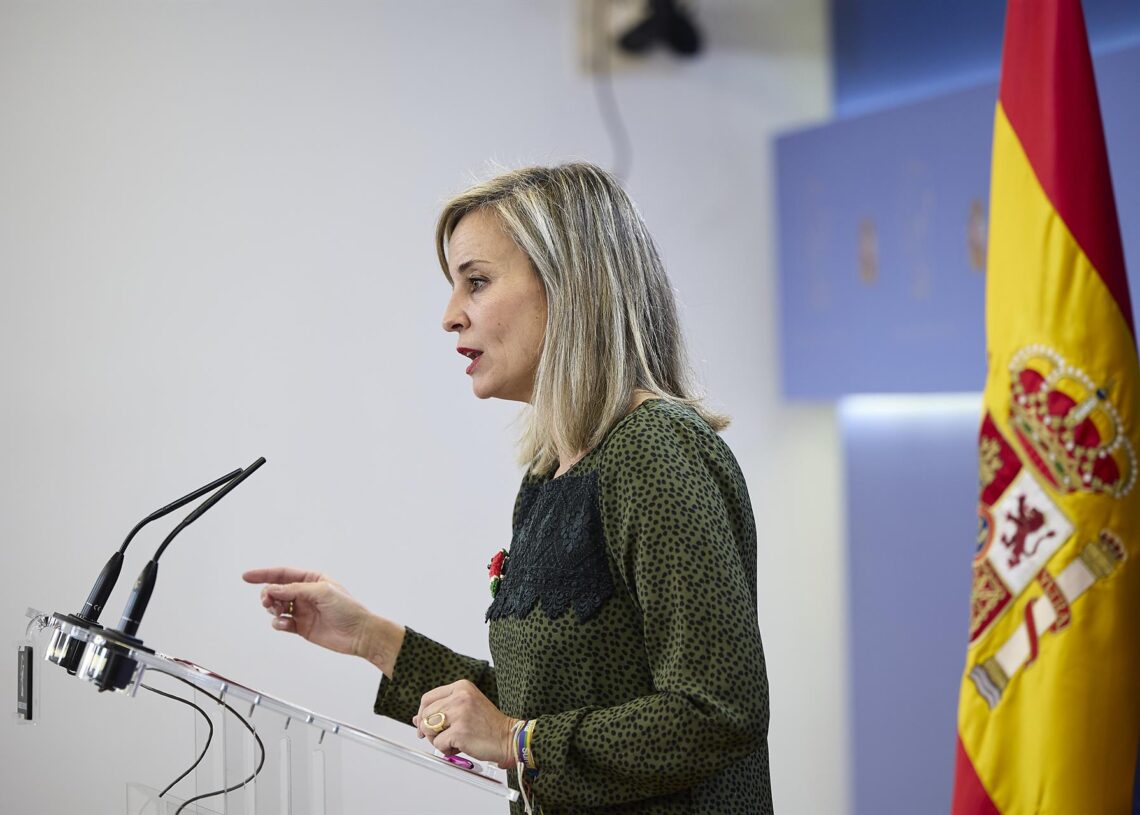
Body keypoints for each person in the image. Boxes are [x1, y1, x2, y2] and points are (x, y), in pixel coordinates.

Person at [243, 163, 772, 814]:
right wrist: (369, 638)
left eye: (478, 282)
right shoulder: (551, 474)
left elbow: (717, 712)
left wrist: (518, 740)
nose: (449, 316)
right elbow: (538, 708)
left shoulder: (655, 451)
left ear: (569, 287)